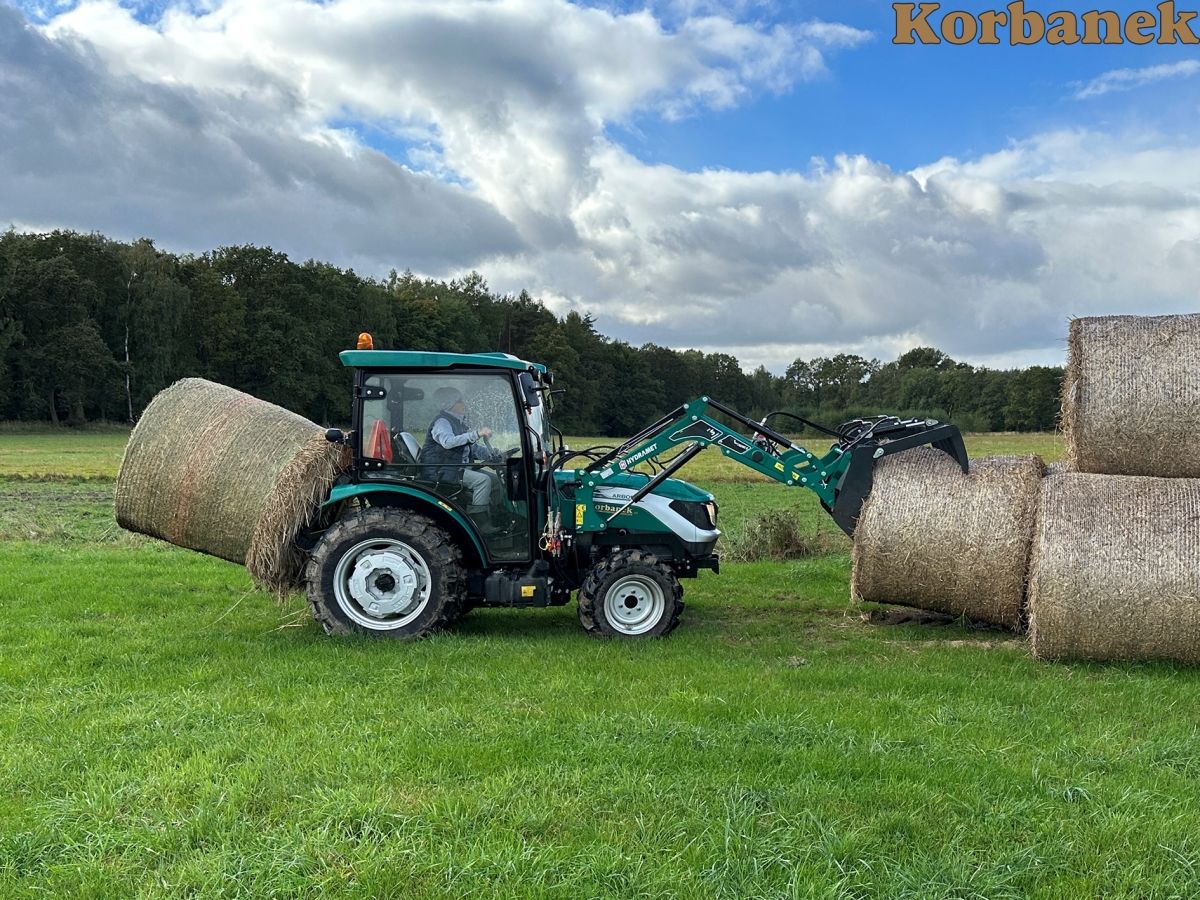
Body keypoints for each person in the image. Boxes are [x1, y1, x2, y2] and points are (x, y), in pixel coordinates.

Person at [420, 387, 504, 521]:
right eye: (459, 401)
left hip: (455, 468)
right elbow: (448, 442)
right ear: (449, 403)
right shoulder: (442, 422)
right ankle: (480, 521)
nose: (463, 403)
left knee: (495, 480)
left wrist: (493, 454)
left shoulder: (458, 422)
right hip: (441, 470)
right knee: (483, 481)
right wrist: (477, 434)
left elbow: (472, 448)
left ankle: (496, 515)